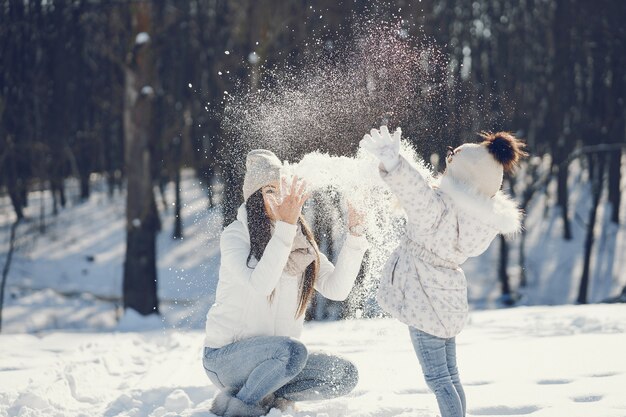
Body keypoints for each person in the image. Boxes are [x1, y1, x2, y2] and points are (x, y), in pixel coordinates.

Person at [360, 126, 527, 417]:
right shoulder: (476, 220)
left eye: (452, 159)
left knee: (438, 380)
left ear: (462, 173)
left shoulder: (437, 212)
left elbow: (415, 193)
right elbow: (422, 193)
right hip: (445, 303)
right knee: (450, 377)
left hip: (423, 301)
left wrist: (394, 163)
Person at [203, 149, 369, 417]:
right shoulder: (235, 236)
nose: (279, 197)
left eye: (281, 189)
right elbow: (261, 285)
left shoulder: (299, 241)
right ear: (255, 198)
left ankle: (267, 393)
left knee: (344, 374)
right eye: (270, 191)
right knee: (292, 351)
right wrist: (286, 227)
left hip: (278, 362)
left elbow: (337, 289)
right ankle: (238, 408)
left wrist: (355, 234)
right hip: (225, 359)